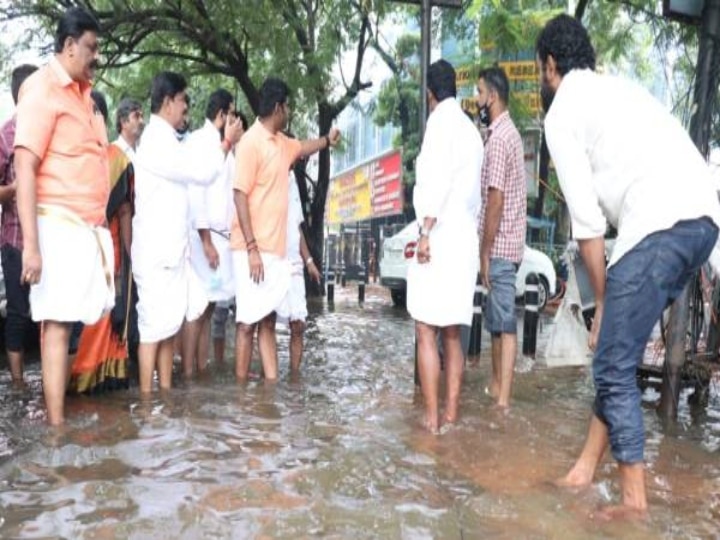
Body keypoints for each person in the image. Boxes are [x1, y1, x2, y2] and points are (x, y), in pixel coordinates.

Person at [537, 14, 720, 516]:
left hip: (659, 223)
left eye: (540, 70)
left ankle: (634, 505)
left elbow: (588, 226)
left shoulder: (561, 112)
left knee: (612, 366)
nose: (541, 79)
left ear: (550, 65)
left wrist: (600, 304)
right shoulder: (616, 89)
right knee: (617, 353)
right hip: (704, 221)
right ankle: (583, 471)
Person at [14, 7, 113, 425]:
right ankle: (55, 427)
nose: (97, 57)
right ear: (69, 46)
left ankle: (59, 414)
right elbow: (24, 166)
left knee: (74, 321)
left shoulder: (84, 94)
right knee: (55, 325)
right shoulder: (40, 88)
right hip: (56, 224)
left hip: (86, 228)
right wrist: (32, 248)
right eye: (91, 48)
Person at [132, 71, 243, 394]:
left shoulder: (170, 139)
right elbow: (202, 173)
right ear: (168, 102)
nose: (186, 108)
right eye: (183, 101)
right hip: (156, 254)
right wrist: (227, 142)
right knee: (154, 330)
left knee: (168, 327)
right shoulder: (156, 141)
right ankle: (149, 403)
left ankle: (165, 396)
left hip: (173, 252)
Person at [232, 77, 340, 381]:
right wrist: (252, 249)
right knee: (246, 324)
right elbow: (239, 195)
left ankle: (270, 388)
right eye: (288, 106)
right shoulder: (250, 143)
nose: (289, 111)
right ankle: (241, 400)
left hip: (275, 252)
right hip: (250, 251)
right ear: (278, 107)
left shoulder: (282, 144)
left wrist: (327, 140)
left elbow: (305, 147)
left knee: (266, 321)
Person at [406, 59, 484, 433]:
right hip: (465, 238)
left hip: (439, 235)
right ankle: (452, 412)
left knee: (425, 328)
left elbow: (434, 181)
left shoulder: (438, 123)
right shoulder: (471, 130)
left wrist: (424, 231)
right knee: (453, 330)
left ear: (430, 94)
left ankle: (432, 419)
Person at [69, 90, 134, 393]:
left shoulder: (110, 160)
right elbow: (123, 212)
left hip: (100, 256)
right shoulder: (107, 159)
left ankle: (84, 385)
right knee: (95, 318)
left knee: (101, 318)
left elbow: (124, 213)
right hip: (96, 255)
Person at [181, 90, 243, 377]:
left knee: (207, 309)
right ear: (222, 115)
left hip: (221, 238)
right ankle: (189, 373)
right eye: (232, 115)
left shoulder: (225, 147)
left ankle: (201, 370)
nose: (236, 121)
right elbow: (197, 194)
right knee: (198, 307)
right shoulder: (199, 142)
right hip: (204, 237)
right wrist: (206, 242)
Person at [475, 66, 527, 408]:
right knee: (495, 322)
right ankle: (496, 387)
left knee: (505, 323)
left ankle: (503, 402)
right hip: (506, 246)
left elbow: (495, 199)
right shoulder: (506, 133)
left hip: (501, 246)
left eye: (479, 93)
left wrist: (484, 251)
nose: (476, 99)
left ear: (492, 96)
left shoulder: (500, 139)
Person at [0, 64, 38, 387]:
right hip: (14, 240)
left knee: (49, 311)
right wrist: (15, 189)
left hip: (46, 237)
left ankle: (47, 380)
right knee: (17, 311)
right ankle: (17, 382)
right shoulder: (5, 135)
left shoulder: (47, 132)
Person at [211, 110, 248, 365]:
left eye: (241, 127)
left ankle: (239, 363)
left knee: (244, 310)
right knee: (217, 309)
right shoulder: (218, 155)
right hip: (219, 242)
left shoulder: (246, 158)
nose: (237, 130)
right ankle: (218, 361)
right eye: (233, 124)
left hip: (243, 244)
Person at [277, 167, 322, 373]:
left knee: (298, 325)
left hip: (294, 262)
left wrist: (310, 261)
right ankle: (267, 377)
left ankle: (294, 378)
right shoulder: (267, 172)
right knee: (266, 323)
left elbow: (297, 228)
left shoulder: (293, 179)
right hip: (272, 260)